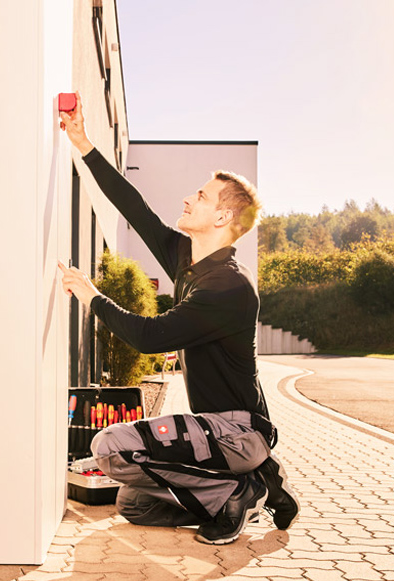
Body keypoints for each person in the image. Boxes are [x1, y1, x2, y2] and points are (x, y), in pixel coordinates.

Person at [57, 94, 299, 545]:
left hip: (238, 431)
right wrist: (83, 143)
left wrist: (91, 296)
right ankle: (250, 487)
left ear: (223, 216)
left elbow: (151, 337)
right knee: (134, 503)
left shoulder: (229, 287)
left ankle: (237, 491)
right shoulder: (189, 261)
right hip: (217, 431)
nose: (189, 199)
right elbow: (135, 209)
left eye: (201, 197)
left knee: (108, 446)